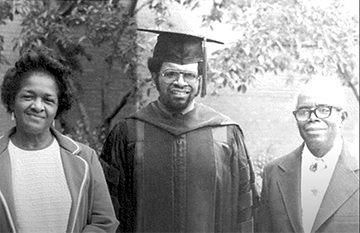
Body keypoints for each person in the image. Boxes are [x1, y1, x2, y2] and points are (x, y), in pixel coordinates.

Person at [99, 27, 259, 233]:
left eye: (189, 75)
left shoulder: (226, 134)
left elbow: (245, 208)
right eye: (170, 73)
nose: (180, 82)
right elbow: (110, 208)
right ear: (155, 77)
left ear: (199, 80)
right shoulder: (128, 133)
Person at [0, 45, 119, 232]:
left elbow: (104, 222)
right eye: (28, 96)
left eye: (48, 100)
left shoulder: (85, 158)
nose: (37, 106)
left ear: (58, 108)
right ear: (12, 101)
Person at [257, 76, 359, 233]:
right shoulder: (274, 173)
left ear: (342, 118)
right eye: (304, 112)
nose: (313, 118)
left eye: (324, 110)